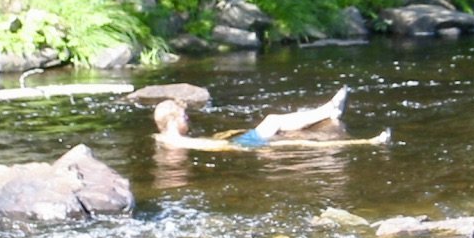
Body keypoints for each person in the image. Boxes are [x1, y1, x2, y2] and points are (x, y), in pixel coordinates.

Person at [153, 87, 390, 151]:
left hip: (236, 144)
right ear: (173, 120)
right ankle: (366, 141)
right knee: (285, 133)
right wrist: (232, 143)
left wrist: (226, 134)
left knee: (274, 122)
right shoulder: (178, 141)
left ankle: (328, 111)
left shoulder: (164, 137)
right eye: (185, 117)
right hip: (239, 148)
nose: (189, 121)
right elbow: (210, 147)